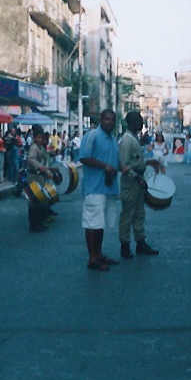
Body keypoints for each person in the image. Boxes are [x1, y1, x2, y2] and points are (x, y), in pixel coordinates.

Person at [78, 109, 122, 271]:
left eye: (112, 120)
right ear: (101, 120)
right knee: (92, 223)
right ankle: (92, 258)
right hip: (94, 188)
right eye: (107, 119)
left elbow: (116, 162)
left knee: (100, 224)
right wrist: (105, 167)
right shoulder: (92, 136)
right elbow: (83, 157)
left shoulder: (112, 138)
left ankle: (99, 254)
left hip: (108, 188)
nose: (109, 122)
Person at [118, 110, 158, 258]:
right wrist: (137, 177)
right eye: (138, 120)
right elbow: (123, 164)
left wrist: (147, 163)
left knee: (139, 214)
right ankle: (125, 246)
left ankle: (141, 243)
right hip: (130, 182)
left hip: (138, 182)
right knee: (127, 215)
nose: (141, 123)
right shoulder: (127, 140)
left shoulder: (134, 138)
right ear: (130, 123)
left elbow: (135, 161)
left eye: (141, 120)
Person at [26, 127, 54, 232]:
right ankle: (34, 225)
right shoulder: (34, 148)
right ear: (34, 138)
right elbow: (31, 159)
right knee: (34, 201)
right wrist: (42, 168)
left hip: (39, 177)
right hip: (34, 176)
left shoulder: (40, 147)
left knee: (39, 200)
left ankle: (38, 222)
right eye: (38, 137)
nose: (40, 140)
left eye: (41, 138)